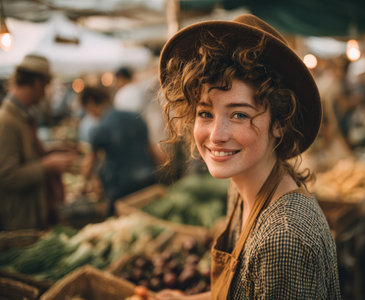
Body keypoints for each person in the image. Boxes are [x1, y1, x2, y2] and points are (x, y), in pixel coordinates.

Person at [156, 14, 341, 299]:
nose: (217, 134)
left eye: (239, 114)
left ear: (279, 123)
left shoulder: (284, 238)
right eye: (205, 113)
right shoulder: (242, 187)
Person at [0, 54, 78, 230]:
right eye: (45, 86)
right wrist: (48, 164)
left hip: (31, 213)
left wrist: (52, 151)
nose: (44, 93)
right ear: (36, 82)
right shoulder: (6, 121)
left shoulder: (20, 116)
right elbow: (6, 176)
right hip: (20, 220)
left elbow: (25, 158)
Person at [80, 86, 159, 216]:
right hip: (148, 181)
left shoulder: (99, 129)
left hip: (121, 189)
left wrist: (82, 188)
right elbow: (153, 152)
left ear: (91, 103)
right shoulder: (136, 117)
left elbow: (90, 163)